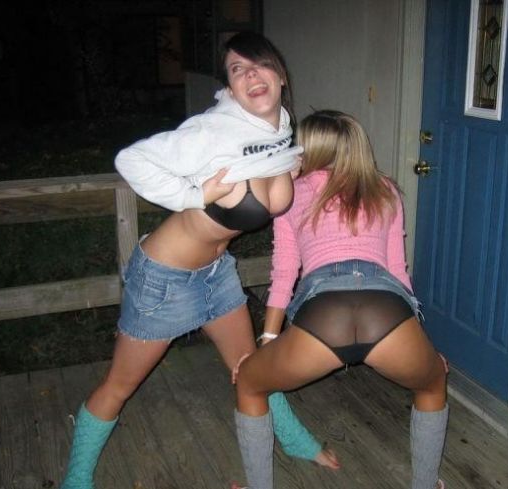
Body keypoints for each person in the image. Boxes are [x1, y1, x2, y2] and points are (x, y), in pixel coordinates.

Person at [59, 32, 338, 489]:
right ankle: (76, 479)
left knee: (251, 367)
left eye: (259, 64)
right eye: (237, 69)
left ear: (281, 75)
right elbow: (132, 160)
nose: (251, 75)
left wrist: (295, 168)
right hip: (164, 278)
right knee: (120, 386)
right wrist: (193, 193)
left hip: (217, 274)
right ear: (229, 87)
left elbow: (277, 168)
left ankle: (292, 439)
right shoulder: (213, 131)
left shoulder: (280, 128)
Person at [232, 110, 449, 489]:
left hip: (324, 312)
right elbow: (399, 272)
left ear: (311, 149)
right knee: (433, 383)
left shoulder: (290, 193)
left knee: (249, 382)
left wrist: (267, 341)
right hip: (386, 310)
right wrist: (423, 347)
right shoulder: (385, 189)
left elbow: (284, 273)